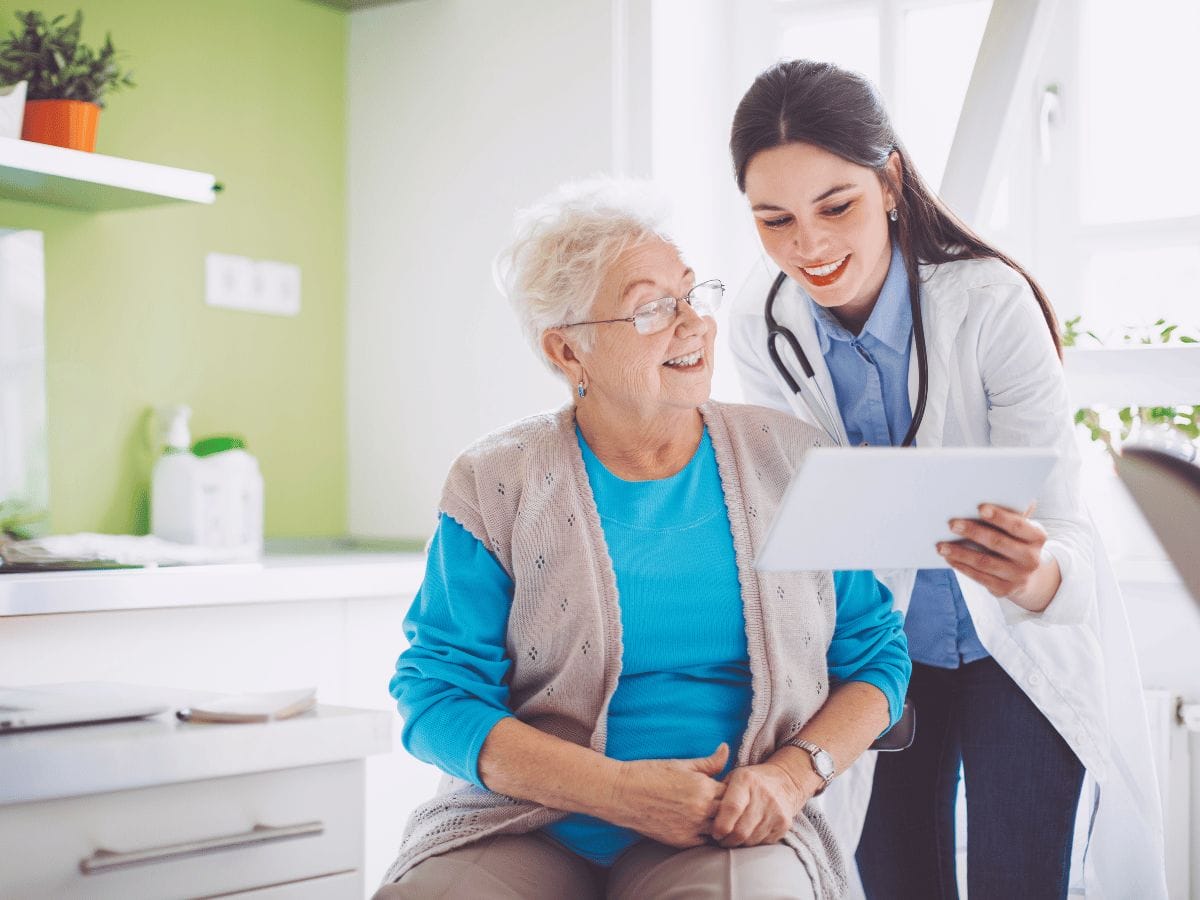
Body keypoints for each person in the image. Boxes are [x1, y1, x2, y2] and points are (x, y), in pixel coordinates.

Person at [374, 178, 910, 899]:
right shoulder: (496, 481)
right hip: (527, 822)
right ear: (569, 352)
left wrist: (790, 776)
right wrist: (616, 792)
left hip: (725, 826)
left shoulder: (793, 461)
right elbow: (436, 693)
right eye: (652, 308)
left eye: (690, 294)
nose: (692, 324)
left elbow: (875, 657)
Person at [726, 59, 1167, 899]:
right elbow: (800, 507)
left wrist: (1033, 574)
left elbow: (1064, 526)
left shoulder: (991, 303)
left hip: (1017, 652)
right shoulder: (762, 323)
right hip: (876, 658)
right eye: (774, 220)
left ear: (890, 182)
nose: (807, 247)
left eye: (836, 206)